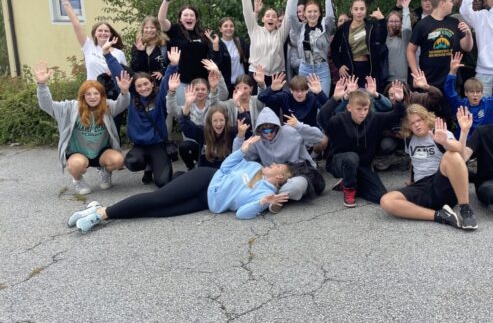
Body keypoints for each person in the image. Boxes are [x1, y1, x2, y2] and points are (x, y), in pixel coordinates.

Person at [67, 136, 292, 234]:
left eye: (277, 166)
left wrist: (263, 203)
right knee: (157, 199)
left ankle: (97, 209)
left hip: (206, 202)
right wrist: (242, 151)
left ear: (280, 176)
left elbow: (242, 214)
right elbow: (225, 167)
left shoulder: (265, 193)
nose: (272, 164)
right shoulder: (253, 166)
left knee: (156, 212)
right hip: (206, 178)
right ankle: (101, 214)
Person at [35, 62, 130, 195]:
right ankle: (78, 179)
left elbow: (121, 104)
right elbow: (47, 105)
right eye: (88, 94)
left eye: (96, 93)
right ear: (82, 96)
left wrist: (124, 92)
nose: (92, 97)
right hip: (78, 153)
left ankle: (105, 172)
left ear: (102, 95)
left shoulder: (106, 107)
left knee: (118, 160)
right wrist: (42, 85)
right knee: (76, 165)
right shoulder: (69, 108)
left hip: (101, 152)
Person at [380, 105, 477, 230]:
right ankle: (440, 216)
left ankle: (466, 210)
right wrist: (411, 180)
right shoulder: (409, 139)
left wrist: (446, 141)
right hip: (422, 187)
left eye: (419, 120)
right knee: (387, 201)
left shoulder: (440, 133)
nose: (416, 125)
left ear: (427, 119)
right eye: (412, 123)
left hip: (441, 183)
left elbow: (460, 155)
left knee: (451, 155)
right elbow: (414, 161)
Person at [318, 81, 406, 207]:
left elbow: (396, 116)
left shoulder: (374, 118)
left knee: (380, 196)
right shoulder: (339, 119)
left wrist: (399, 101)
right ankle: (349, 189)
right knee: (351, 158)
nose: (363, 113)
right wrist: (335, 99)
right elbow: (322, 118)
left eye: (365, 109)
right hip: (339, 163)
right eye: (358, 109)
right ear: (349, 108)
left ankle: (349, 181)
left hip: (362, 165)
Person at [105, 40, 179, 187]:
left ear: (152, 84)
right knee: (132, 162)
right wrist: (107, 54)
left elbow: (167, 81)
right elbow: (119, 73)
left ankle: (155, 165)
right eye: (139, 86)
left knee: (163, 182)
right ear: (135, 88)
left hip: (157, 145)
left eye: (146, 84)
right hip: (140, 145)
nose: (143, 88)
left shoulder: (159, 97)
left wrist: (173, 64)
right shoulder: (132, 97)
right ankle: (148, 167)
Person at [233, 107, 325, 212]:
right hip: (273, 177)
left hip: (297, 171)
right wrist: (240, 137)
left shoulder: (290, 131)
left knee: (298, 186)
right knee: (249, 182)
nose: (269, 133)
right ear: (259, 130)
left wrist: (299, 126)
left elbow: (319, 138)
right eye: (264, 130)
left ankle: (272, 199)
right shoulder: (257, 139)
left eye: (272, 129)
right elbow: (238, 158)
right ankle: (270, 199)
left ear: (277, 126)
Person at [406, 0, 473, 92]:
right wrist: (416, 74)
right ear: (442, 3)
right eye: (450, 1)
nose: (452, 4)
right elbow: (410, 50)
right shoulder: (422, 24)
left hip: (452, 81)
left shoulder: (454, 22)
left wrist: (468, 34)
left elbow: (467, 47)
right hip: (429, 83)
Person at [158, 0, 213, 105]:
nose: (189, 17)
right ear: (180, 19)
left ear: (196, 19)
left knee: (201, 114)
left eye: (192, 15)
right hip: (181, 83)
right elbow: (161, 19)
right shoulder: (174, 30)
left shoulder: (203, 33)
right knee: (183, 113)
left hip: (201, 84)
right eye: (186, 15)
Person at [59, 0, 127, 82]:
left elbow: (125, 75)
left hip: (112, 90)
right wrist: (65, 2)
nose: (103, 33)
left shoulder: (119, 53)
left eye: (106, 31)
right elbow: (76, 24)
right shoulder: (88, 46)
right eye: (100, 30)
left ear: (111, 34)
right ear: (95, 34)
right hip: (92, 89)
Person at [236, 0, 292, 86]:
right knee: (256, 98)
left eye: (274, 16)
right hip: (256, 74)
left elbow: (289, 15)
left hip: (276, 75)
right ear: (263, 19)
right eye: (268, 16)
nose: (271, 18)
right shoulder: (255, 30)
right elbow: (247, 12)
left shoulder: (280, 34)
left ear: (277, 21)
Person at [444, 47, 493, 137]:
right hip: (465, 141)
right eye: (472, 92)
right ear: (466, 93)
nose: (475, 95)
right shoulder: (461, 105)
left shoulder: (489, 103)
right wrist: (452, 72)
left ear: (482, 93)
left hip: (486, 140)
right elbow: (449, 92)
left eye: (478, 91)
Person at [288, 0, 335, 94]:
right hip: (305, 69)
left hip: (322, 69)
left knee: (322, 101)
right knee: (304, 100)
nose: (312, 14)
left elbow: (330, 17)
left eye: (315, 11)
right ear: (304, 13)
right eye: (309, 11)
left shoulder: (325, 27)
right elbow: (291, 15)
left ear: (319, 13)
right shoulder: (300, 28)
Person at [330, 0, 388, 91]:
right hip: (350, 68)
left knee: (367, 96)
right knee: (351, 96)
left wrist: (381, 20)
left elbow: (382, 40)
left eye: (362, 9)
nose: (359, 12)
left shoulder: (371, 26)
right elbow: (334, 48)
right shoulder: (344, 28)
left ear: (366, 10)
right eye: (356, 9)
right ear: (351, 10)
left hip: (368, 68)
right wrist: (340, 65)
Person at [258, 73, 328, 128]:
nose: (299, 94)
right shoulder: (285, 96)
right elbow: (262, 97)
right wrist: (271, 89)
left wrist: (320, 93)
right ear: (291, 90)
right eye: (296, 91)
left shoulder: (312, 97)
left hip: (310, 132)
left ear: (307, 90)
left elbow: (329, 109)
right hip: (290, 132)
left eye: (302, 90)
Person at [211, 17, 250, 96]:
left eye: (231, 26)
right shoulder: (217, 43)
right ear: (220, 29)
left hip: (242, 83)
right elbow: (215, 64)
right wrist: (215, 48)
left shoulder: (240, 41)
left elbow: (248, 58)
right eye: (225, 26)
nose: (229, 28)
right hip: (226, 85)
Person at [130, 16, 169, 84]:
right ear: (143, 29)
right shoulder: (138, 44)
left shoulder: (164, 44)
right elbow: (134, 68)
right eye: (146, 27)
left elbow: (172, 63)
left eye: (152, 27)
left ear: (157, 29)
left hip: (160, 84)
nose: (149, 30)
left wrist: (163, 72)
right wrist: (140, 52)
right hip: (142, 85)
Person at [386, 0, 413, 83]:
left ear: (401, 22)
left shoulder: (404, 39)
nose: (394, 23)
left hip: (400, 80)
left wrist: (405, 8)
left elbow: (407, 27)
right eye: (391, 21)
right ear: (387, 23)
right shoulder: (384, 38)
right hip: (384, 79)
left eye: (397, 21)